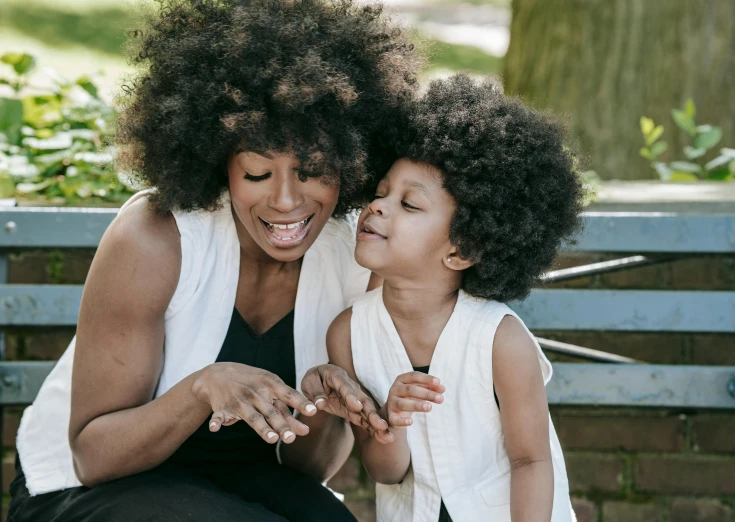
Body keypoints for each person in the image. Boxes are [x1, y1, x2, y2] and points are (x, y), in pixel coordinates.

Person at [8, 1, 419, 520]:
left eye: (313, 170)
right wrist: (204, 387)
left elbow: (309, 471)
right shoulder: (157, 239)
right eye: (256, 175)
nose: (286, 202)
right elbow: (93, 456)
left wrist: (315, 409)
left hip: (236, 485)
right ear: (220, 163)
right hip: (83, 490)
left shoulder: (352, 263)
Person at [312, 75, 583, 521]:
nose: (377, 206)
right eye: (380, 193)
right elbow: (386, 472)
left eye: (409, 204)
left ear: (461, 250)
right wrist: (389, 421)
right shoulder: (348, 333)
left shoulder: (499, 339)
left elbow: (531, 461)